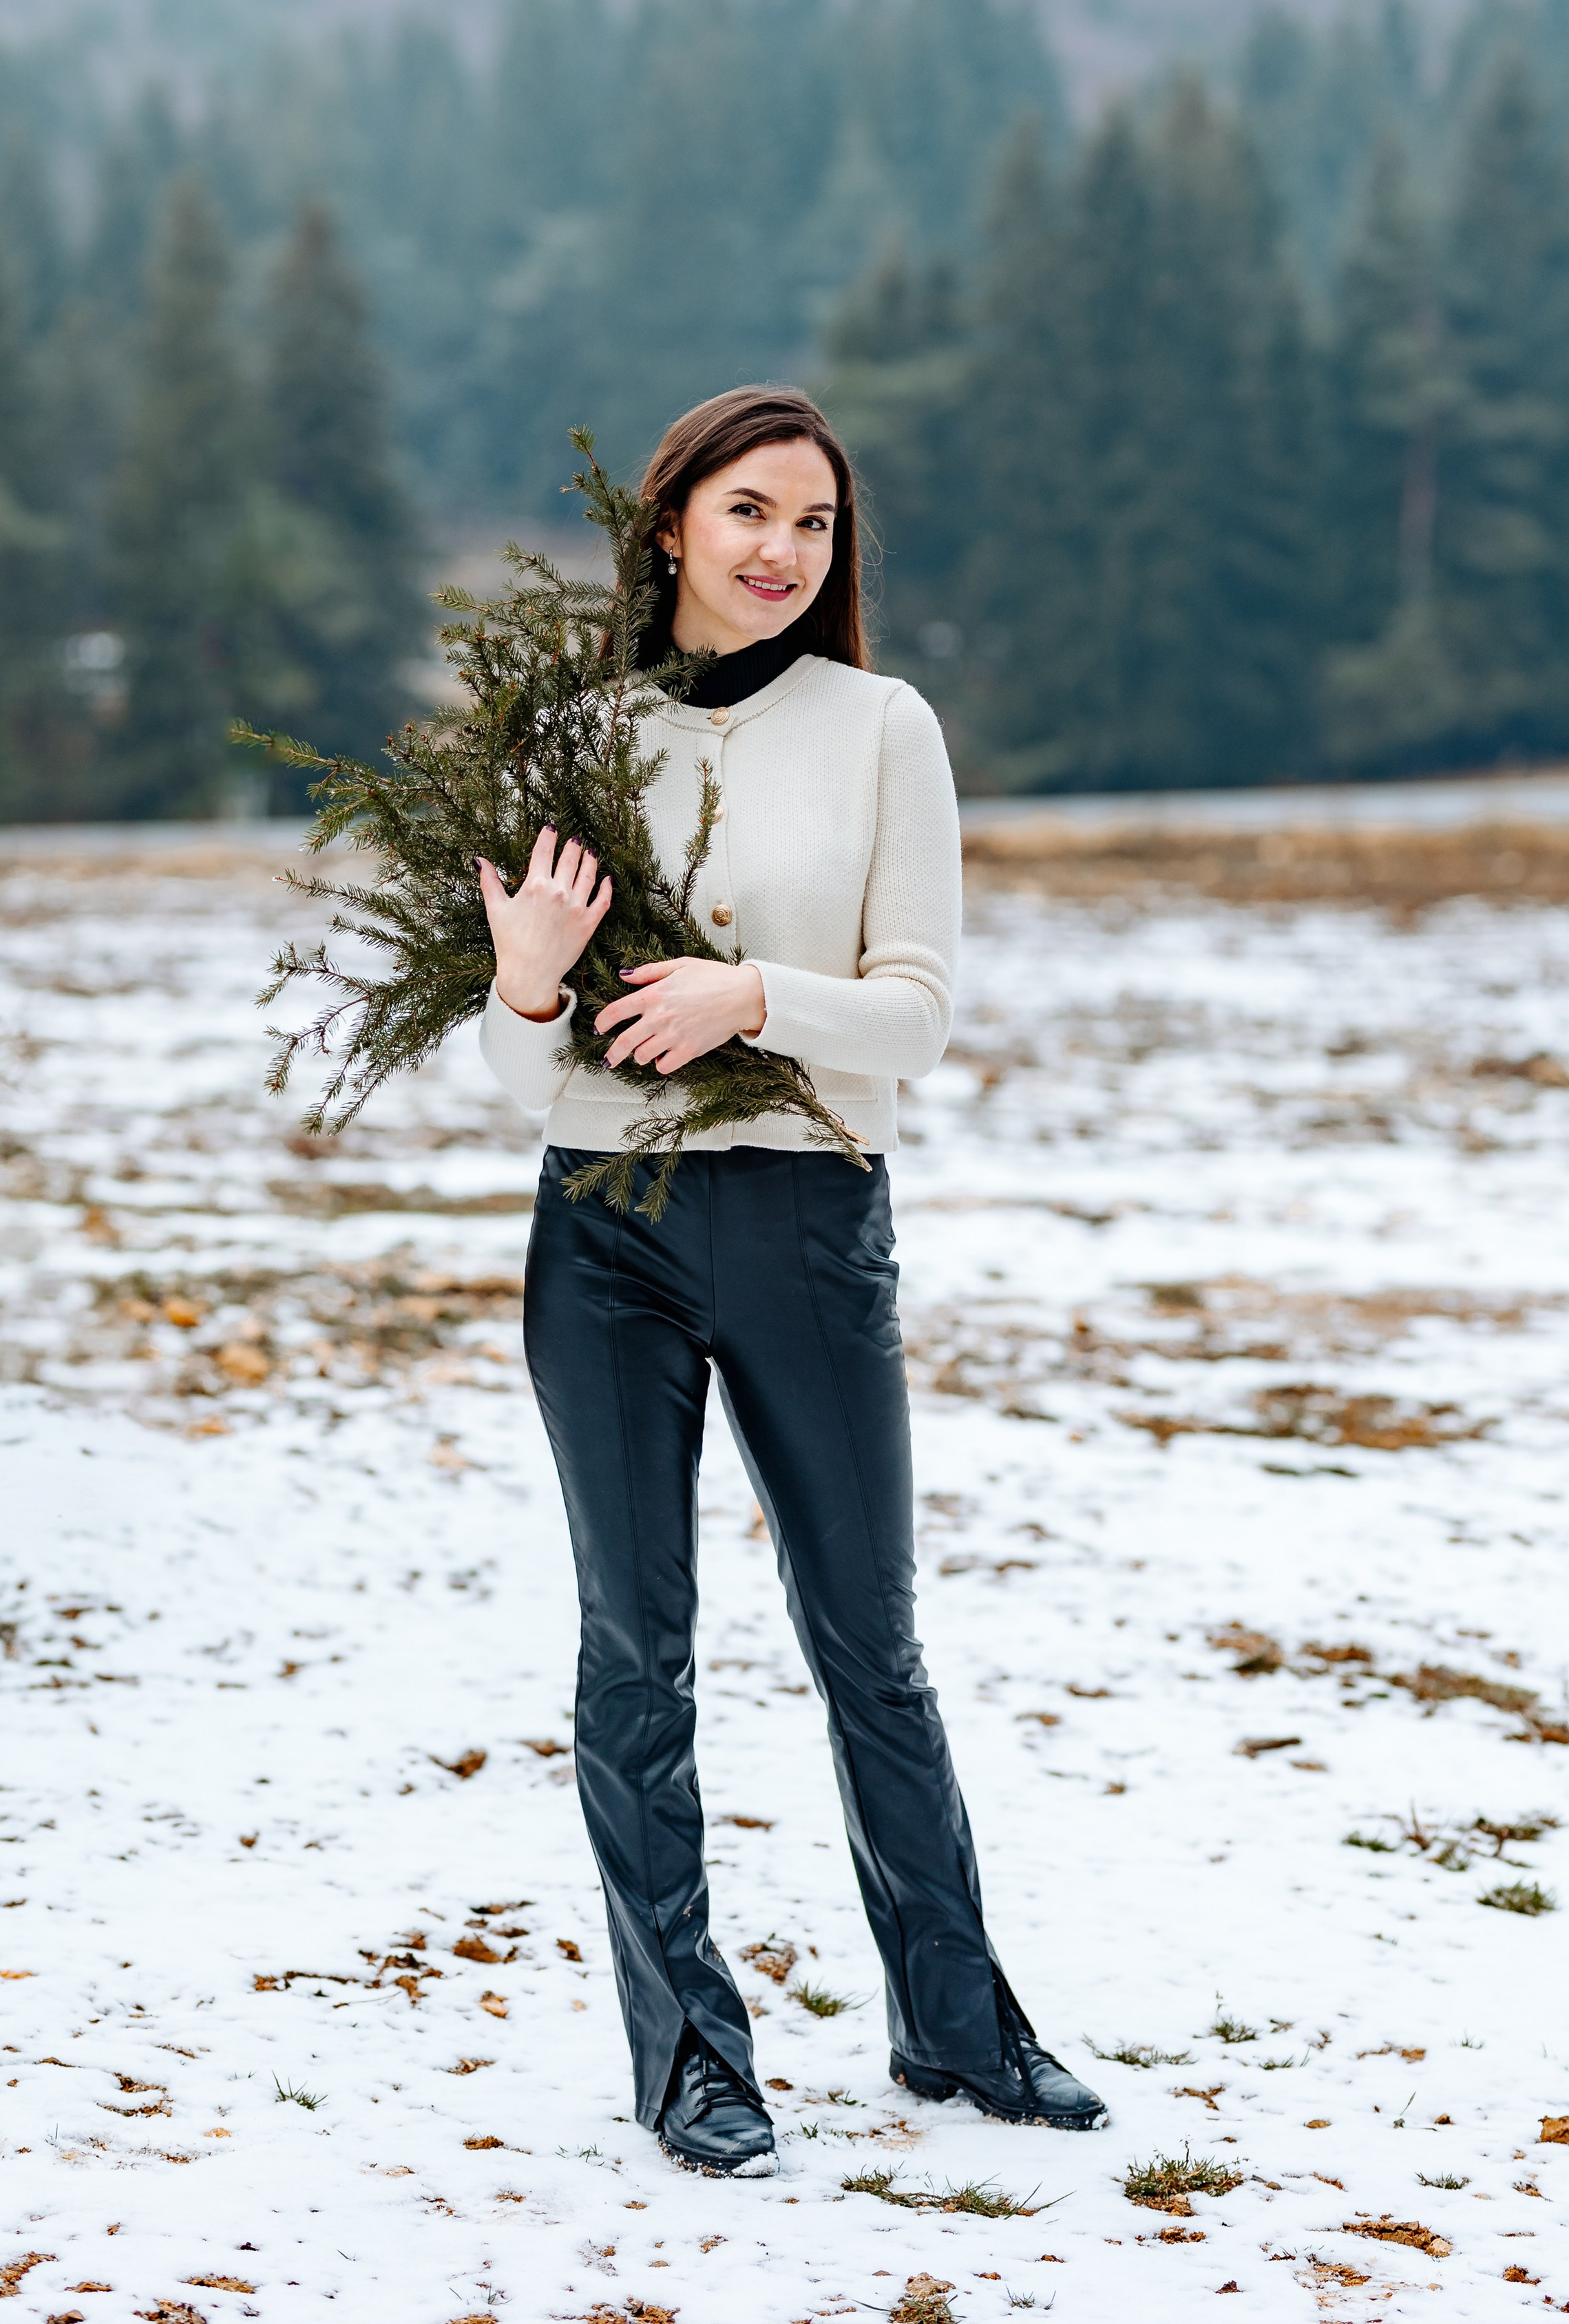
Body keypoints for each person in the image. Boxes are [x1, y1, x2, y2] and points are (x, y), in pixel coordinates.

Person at [475, 386, 1104, 2177]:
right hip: (604, 1230)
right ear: (671, 522)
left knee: (868, 1642)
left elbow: (917, 1006)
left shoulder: (882, 727)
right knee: (637, 1649)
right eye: (749, 512)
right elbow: (534, 1086)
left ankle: (960, 2025)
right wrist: (526, 988)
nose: (780, 552)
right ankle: (691, 2055)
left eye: (813, 525)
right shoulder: (565, 743)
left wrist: (753, 999)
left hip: (811, 1218)